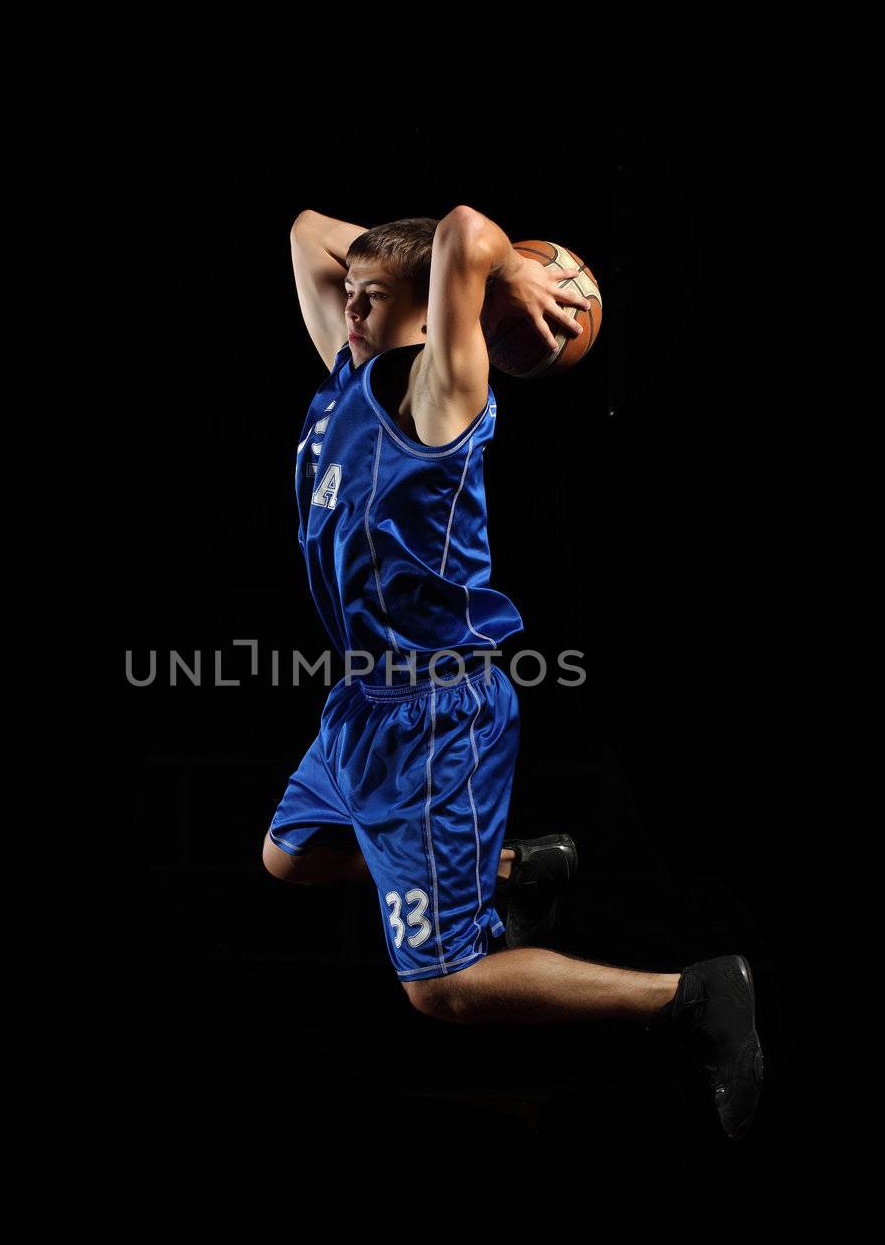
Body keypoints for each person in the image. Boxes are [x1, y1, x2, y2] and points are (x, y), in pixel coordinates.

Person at [261, 206, 763, 1140]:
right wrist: (391, 267)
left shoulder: (441, 392)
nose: (348, 305)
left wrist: (501, 277)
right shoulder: (351, 373)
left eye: (370, 298)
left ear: (433, 315)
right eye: (351, 295)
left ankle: (693, 997)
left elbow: (461, 230)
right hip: (363, 703)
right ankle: (512, 869)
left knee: (442, 990)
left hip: (432, 714)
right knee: (290, 858)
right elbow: (304, 232)